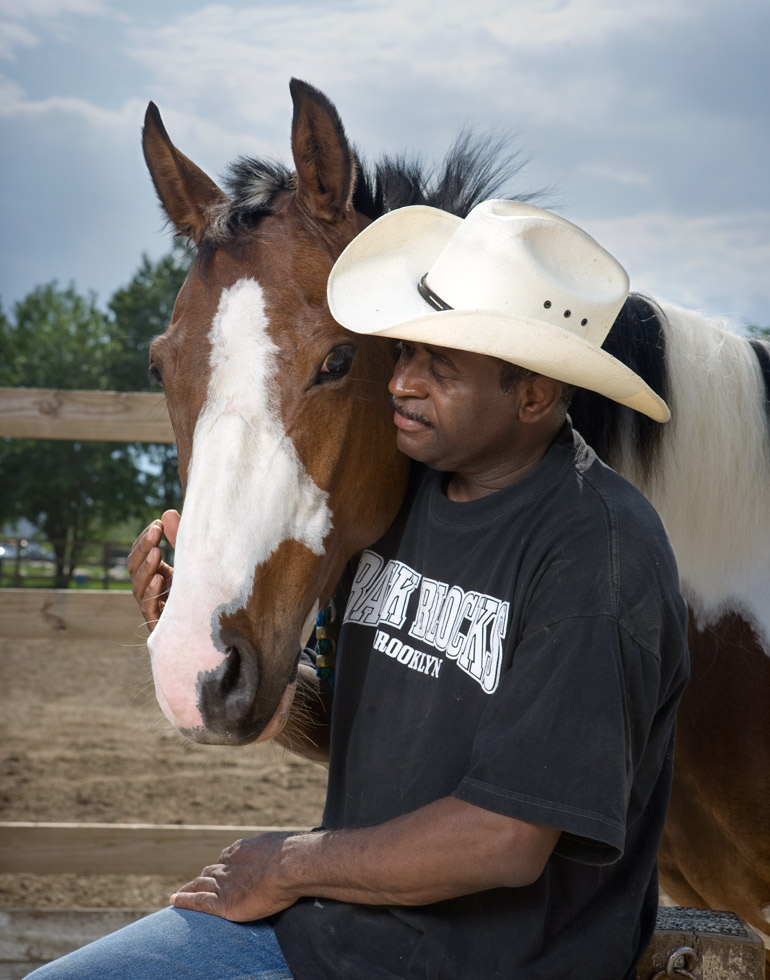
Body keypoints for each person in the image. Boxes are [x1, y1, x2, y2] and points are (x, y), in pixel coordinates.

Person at [27, 200, 689, 980]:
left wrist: (284, 868)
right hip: (331, 942)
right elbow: (355, 723)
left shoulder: (598, 555)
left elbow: (504, 841)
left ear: (535, 395)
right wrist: (235, 664)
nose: (400, 382)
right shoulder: (404, 504)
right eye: (406, 350)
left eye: (440, 366)